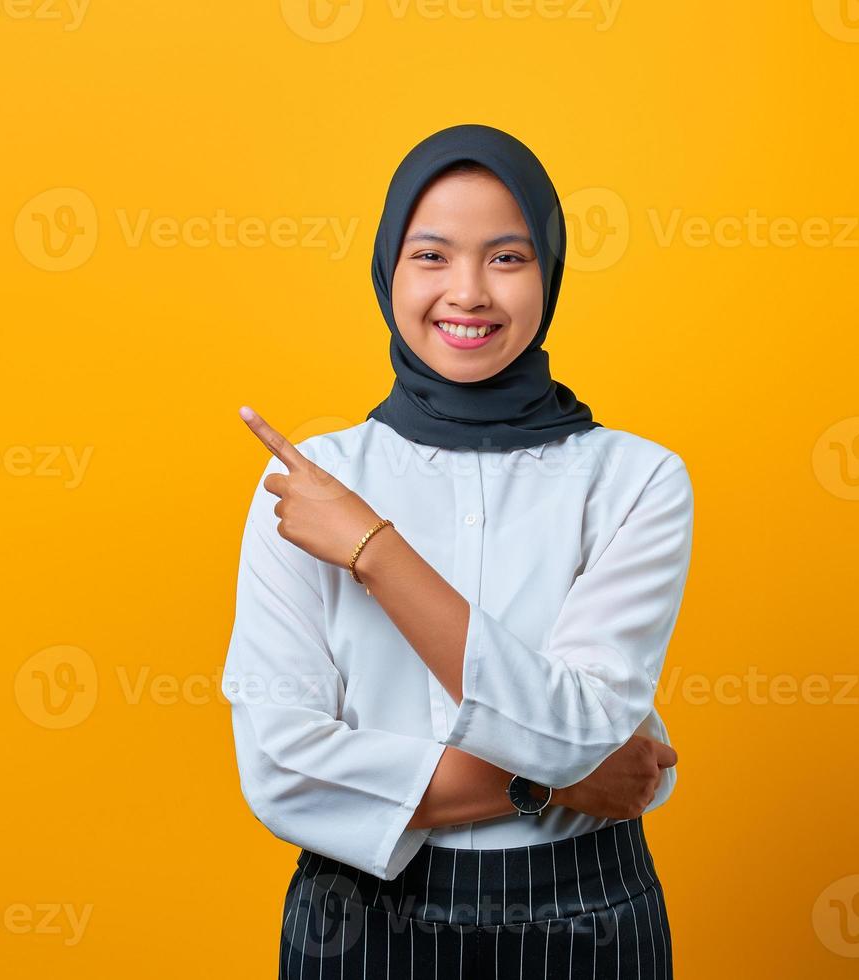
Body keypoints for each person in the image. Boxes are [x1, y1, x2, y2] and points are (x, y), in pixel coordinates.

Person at [222, 124, 694, 979]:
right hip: (357, 921)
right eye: (431, 256)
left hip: (585, 913)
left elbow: (580, 730)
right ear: (388, 272)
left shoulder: (637, 480)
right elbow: (282, 767)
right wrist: (546, 788)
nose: (467, 293)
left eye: (506, 258)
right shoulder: (309, 481)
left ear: (548, 272)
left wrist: (371, 548)